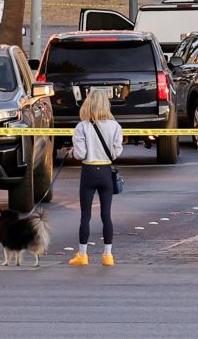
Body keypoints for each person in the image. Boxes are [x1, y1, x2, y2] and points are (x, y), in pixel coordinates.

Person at [70, 91, 123, 266]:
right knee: (106, 215)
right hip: (106, 171)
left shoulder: (82, 127)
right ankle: (108, 255)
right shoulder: (115, 126)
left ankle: (82, 255)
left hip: (89, 171)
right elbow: (116, 152)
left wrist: (72, 152)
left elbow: (80, 154)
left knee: (86, 215)